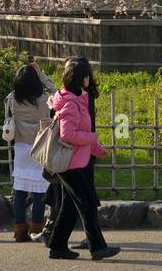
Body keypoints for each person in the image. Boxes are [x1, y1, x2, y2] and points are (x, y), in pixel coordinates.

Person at [47, 57, 119, 260]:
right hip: (71, 164)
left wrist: (97, 148)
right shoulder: (71, 103)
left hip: (76, 160)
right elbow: (67, 135)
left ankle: (57, 245)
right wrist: (91, 139)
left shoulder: (79, 98)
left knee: (71, 205)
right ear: (83, 78)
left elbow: (83, 131)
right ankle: (98, 248)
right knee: (86, 203)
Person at [5, 64, 51, 242]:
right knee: (39, 190)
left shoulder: (12, 99)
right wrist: (42, 75)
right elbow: (56, 92)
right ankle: (36, 227)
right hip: (39, 145)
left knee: (20, 189)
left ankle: (19, 229)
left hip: (21, 145)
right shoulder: (43, 100)